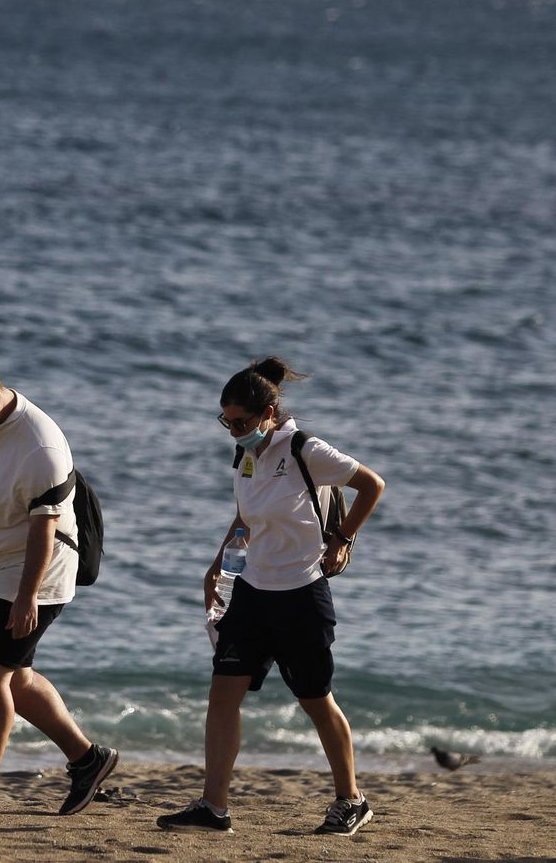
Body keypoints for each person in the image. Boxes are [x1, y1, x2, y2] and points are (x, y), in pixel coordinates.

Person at [157, 357, 386, 837]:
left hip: (302, 595)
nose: (233, 430)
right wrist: (220, 564)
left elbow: (371, 485)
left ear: (269, 412)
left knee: (315, 698)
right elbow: (246, 518)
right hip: (252, 594)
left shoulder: (306, 450)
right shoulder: (247, 456)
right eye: (226, 421)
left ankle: (352, 799)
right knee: (223, 695)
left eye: (240, 421)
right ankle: (213, 807)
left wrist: (343, 538)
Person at [0, 356, 118, 818]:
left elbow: (44, 526)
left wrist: (28, 593)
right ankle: (89, 759)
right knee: (16, 676)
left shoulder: (39, 443)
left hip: (37, 567)